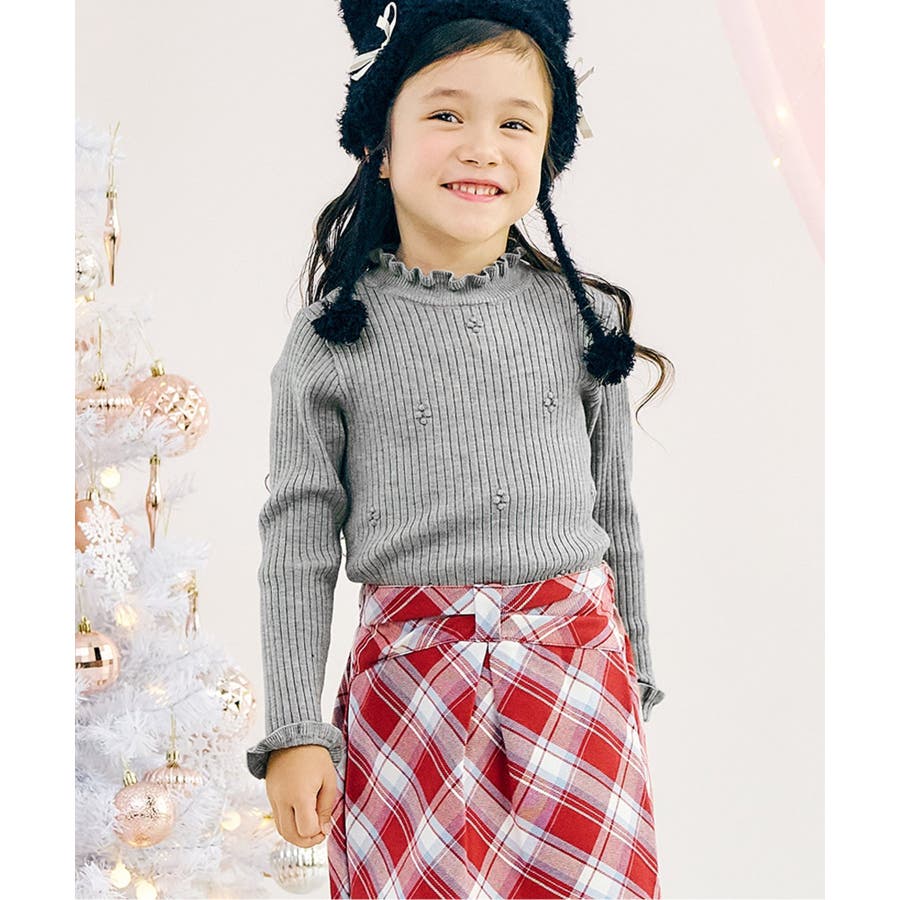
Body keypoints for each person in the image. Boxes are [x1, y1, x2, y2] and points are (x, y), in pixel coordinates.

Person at [246, 2, 673, 897]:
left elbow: (614, 510)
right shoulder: (332, 340)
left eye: (516, 124)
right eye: (446, 113)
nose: (482, 148)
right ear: (380, 140)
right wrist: (293, 729)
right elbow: (297, 542)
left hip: (576, 681)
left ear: (549, 152)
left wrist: (633, 673)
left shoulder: (583, 321)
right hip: (409, 695)